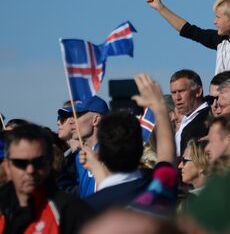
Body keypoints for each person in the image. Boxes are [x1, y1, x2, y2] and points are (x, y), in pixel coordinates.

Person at [80, 74, 176, 214]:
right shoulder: (156, 189)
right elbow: (167, 158)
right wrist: (159, 107)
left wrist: (96, 167)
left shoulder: (86, 210)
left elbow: (111, 190)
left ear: (100, 154)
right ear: (140, 150)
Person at [0, 124, 91, 233]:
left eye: (38, 162)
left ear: (49, 163)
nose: (30, 170)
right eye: (21, 163)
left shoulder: (70, 211)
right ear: (7, 166)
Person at [57, 95, 109, 198]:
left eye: (77, 115)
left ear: (95, 119)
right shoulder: (79, 156)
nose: (71, 121)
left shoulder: (111, 153)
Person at [169, 69, 210, 156]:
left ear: (198, 91)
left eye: (181, 91)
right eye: (173, 93)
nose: (177, 97)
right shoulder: (186, 120)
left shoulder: (209, 119)